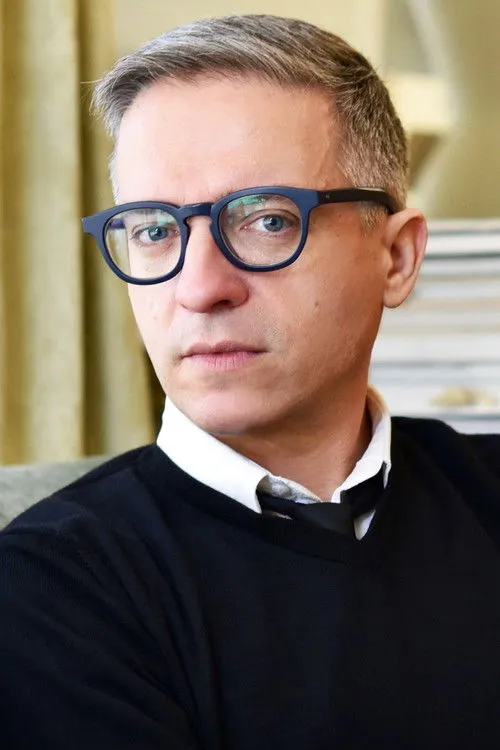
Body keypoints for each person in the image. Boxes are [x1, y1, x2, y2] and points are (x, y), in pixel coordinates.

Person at [1, 13, 499, 750]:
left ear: (395, 259)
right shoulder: (51, 586)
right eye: (154, 230)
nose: (200, 289)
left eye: (265, 220)